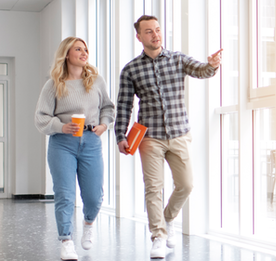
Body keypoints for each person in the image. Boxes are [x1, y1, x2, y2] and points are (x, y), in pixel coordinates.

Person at [114, 15, 222, 259]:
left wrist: (213, 65)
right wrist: (120, 134)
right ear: (139, 37)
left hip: (179, 133)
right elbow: (123, 105)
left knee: (186, 184)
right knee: (154, 188)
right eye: (149, 31)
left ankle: (168, 219)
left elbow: (202, 71)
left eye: (158, 30)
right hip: (149, 137)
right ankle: (158, 236)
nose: (156, 35)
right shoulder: (131, 69)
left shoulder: (178, 59)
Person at [35, 36, 115, 261]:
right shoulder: (53, 84)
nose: (84, 52)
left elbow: (108, 107)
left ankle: (88, 223)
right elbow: (40, 118)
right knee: (65, 194)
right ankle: (66, 241)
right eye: (78, 49)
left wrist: (103, 125)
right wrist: (62, 126)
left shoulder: (97, 81)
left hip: (91, 140)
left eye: (85, 49)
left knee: (94, 196)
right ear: (67, 54)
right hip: (63, 144)